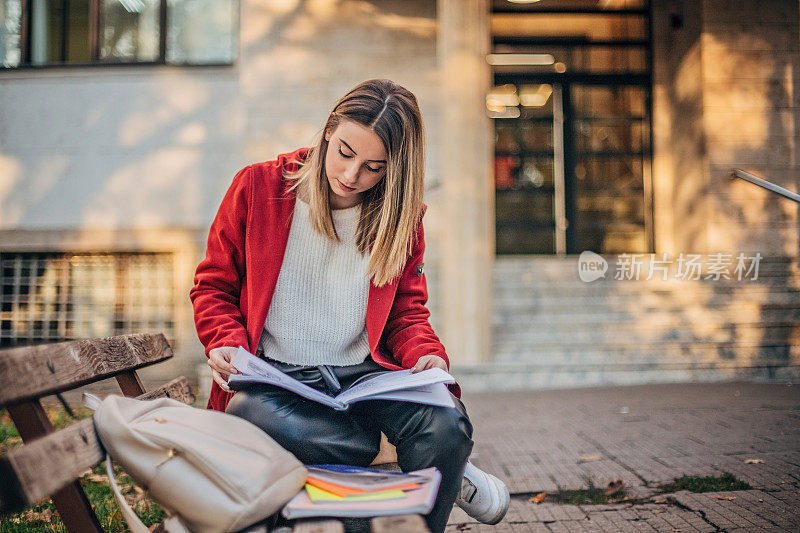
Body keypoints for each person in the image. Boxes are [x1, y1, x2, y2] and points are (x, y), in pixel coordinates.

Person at [190, 79, 509, 532]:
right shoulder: (256, 188)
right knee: (247, 417)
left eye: (374, 167)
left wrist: (426, 355)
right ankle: (421, 466)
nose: (352, 175)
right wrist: (225, 342)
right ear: (328, 130)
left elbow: (406, 314)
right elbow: (214, 287)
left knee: (445, 428)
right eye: (344, 152)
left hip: (364, 380)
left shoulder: (400, 219)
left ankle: (429, 467)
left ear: (394, 169)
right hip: (277, 380)